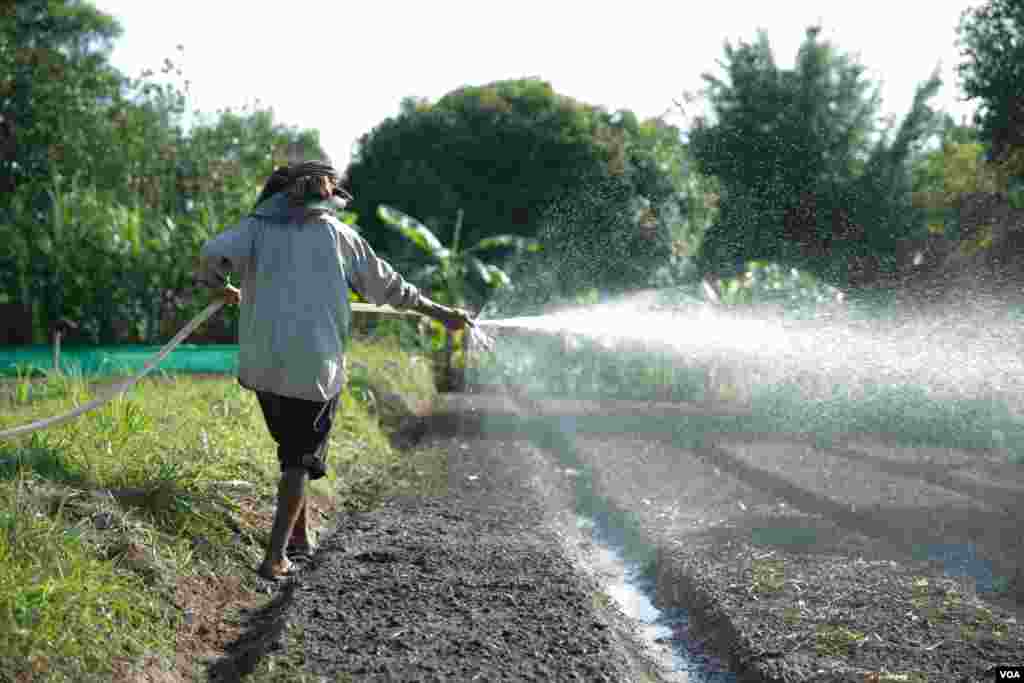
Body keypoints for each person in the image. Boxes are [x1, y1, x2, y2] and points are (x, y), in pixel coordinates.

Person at [195, 160, 473, 580]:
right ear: (324, 196)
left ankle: (300, 537)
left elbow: (210, 255)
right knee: (299, 460)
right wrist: (441, 313)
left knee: (292, 450)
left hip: (262, 366)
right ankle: (274, 559)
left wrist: (222, 288)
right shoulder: (339, 236)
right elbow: (390, 286)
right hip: (314, 367)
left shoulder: (254, 230)